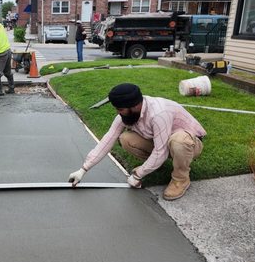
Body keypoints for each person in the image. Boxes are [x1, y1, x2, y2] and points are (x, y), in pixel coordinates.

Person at [68, 83, 206, 200]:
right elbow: (108, 139)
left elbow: (160, 151)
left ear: (134, 106)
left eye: (120, 109)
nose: (118, 112)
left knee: (178, 141)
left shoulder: (158, 114)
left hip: (189, 143)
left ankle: (180, 179)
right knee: (125, 139)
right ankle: (155, 165)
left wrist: (139, 174)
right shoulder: (128, 113)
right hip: (163, 141)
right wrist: (83, 169)